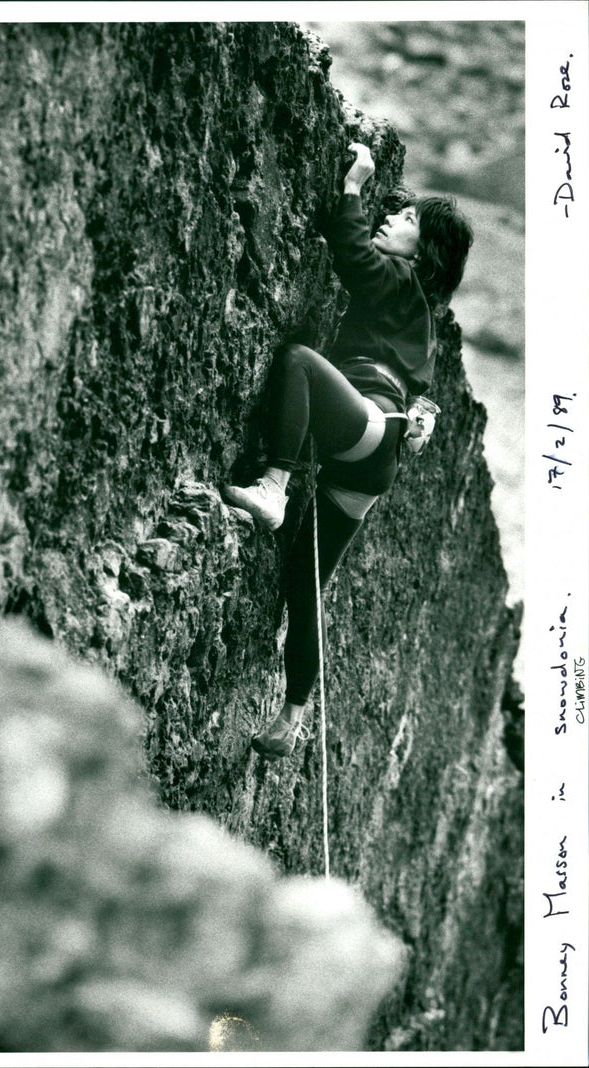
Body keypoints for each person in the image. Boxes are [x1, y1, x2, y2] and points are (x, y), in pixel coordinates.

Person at [223, 142, 473, 759]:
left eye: (409, 222)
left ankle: (274, 486)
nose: (396, 220)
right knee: (306, 586)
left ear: (424, 252)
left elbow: (353, 254)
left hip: (365, 424)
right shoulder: (423, 316)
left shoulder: (395, 279)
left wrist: (354, 185)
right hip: (374, 456)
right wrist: (425, 416)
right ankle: (291, 718)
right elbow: (419, 385)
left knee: (300, 363)